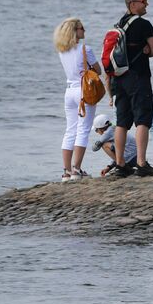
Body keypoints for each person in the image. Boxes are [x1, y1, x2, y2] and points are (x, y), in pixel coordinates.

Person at [111, 0, 153, 177]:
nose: (147, 4)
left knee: (122, 122)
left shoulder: (119, 24)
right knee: (143, 118)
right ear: (133, 4)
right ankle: (141, 163)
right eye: (144, 1)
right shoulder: (143, 24)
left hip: (120, 77)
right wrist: (148, 50)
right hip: (138, 76)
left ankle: (120, 164)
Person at [54, 17, 99, 181]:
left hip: (69, 91)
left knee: (70, 130)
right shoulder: (85, 49)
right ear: (74, 31)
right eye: (81, 28)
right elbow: (98, 70)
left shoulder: (62, 51)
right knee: (84, 129)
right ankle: (76, 169)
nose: (84, 31)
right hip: (84, 91)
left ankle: (66, 171)